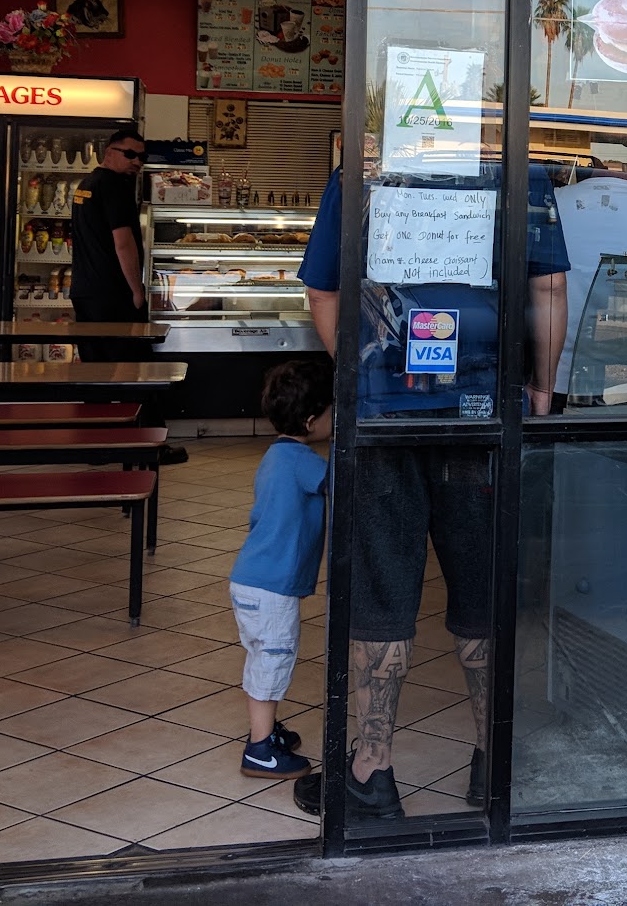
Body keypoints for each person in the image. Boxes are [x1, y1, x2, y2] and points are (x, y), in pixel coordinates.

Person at [293, 159, 568, 820]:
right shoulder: (520, 176)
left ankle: (371, 775)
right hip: (483, 410)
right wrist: (540, 390)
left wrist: (366, 381)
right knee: (483, 588)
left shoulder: (361, 173)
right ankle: (490, 766)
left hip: (387, 412)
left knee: (382, 588)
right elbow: (551, 290)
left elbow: (324, 293)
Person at [227, 359, 331, 783]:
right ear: (311, 421)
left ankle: (265, 732)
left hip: (251, 580)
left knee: (262, 659)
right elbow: (344, 481)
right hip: (269, 589)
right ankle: (260, 749)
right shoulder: (303, 462)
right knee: (272, 662)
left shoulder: (276, 455)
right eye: (331, 413)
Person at [71, 125, 186, 462]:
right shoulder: (115, 187)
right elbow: (124, 243)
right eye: (130, 154)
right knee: (137, 369)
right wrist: (137, 290)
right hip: (113, 295)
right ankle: (150, 444)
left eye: (142, 156)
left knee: (96, 371)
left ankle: (96, 446)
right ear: (110, 152)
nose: (137, 162)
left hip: (86, 293)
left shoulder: (86, 185)